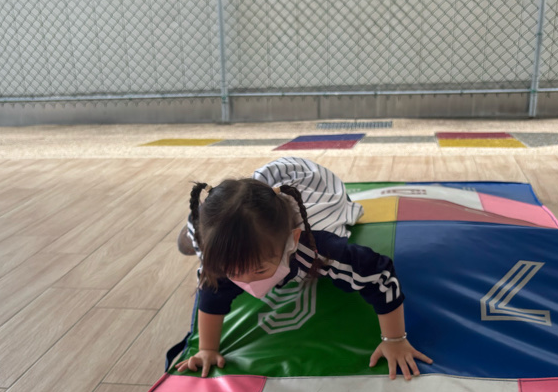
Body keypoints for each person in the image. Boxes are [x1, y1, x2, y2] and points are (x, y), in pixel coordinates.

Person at [175, 157, 431, 380]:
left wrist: (394, 339)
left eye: (259, 270)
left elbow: (379, 276)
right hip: (258, 194)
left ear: (292, 241)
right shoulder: (222, 260)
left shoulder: (317, 248)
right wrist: (207, 349)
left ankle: (193, 233)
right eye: (234, 272)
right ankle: (192, 231)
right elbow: (211, 290)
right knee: (212, 232)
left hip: (316, 182)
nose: (246, 281)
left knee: (243, 224)